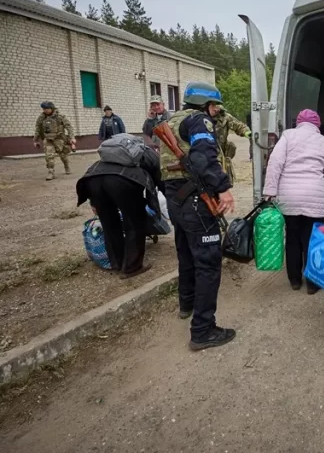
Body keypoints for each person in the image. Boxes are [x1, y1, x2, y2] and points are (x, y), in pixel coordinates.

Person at [160, 82, 237, 351]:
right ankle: (203, 330)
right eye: (215, 106)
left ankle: (187, 303)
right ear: (206, 104)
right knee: (208, 262)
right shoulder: (199, 120)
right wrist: (224, 188)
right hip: (195, 201)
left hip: (176, 199)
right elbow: (204, 158)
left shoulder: (171, 121)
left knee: (186, 253)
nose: (216, 112)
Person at [263, 109, 324, 294]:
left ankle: (295, 280)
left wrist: (270, 191)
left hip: (289, 198)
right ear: (317, 125)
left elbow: (275, 163)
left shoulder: (288, 136)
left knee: (293, 239)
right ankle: (312, 284)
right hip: (313, 198)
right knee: (312, 240)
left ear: (298, 123)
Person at [76, 137, 159, 278]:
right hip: (121, 181)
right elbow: (158, 182)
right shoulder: (153, 157)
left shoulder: (114, 153)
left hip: (93, 180)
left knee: (109, 223)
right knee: (134, 223)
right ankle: (132, 267)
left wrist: (94, 203)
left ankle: (117, 263)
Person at [34, 101, 75, 181]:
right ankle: (51, 172)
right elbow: (37, 129)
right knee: (49, 156)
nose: (45, 110)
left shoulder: (60, 116)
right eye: (44, 109)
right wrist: (36, 140)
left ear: (51, 108)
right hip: (48, 139)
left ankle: (66, 166)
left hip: (59, 139)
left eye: (47, 108)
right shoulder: (41, 118)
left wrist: (71, 137)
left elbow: (69, 127)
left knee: (62, 155)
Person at [213, 106, 251, 181]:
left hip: (221, 154)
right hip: (205, 152)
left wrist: (247, 132)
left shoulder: (225, 117)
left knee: (223, 179)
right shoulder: (200, 117)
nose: (216, 109)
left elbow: (238, 126)